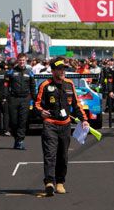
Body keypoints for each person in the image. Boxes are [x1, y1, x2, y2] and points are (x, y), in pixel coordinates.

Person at [34, 57, 88, 196]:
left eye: (63, 68)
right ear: (53, 71)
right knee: (50, 155)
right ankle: (49, 183)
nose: (62, 71)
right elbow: (37, 105)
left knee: (63, 156)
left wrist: (84, 119)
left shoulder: (69, 84)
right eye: (59, 69)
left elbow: (76, 104)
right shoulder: (45, 85)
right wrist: (41, 112)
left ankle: (60, 182)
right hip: (50, 125)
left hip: (65, 126)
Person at [7, 53, 35, 150]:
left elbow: (33, 87)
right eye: (20, 60)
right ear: (17, 61)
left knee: (23, 121)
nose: (22, 62)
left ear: (26, 60)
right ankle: (16, 138)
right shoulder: (11, 72)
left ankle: (20, 141)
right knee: (14, 121)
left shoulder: (30, 72)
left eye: (23, 60)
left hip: (25, 99)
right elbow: (6, 85)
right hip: (14, 99)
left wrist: (35, 99)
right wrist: (7, 97)